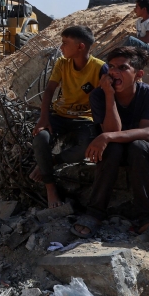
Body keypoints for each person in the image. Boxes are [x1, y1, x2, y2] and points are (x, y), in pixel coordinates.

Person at [71, 46, 149, 238]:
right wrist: (109, 95)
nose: (114, 72)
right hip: (112, 149)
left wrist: (106, 137)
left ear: (138, 74)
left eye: (122, 68)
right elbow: (113, 131)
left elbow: (146, 132)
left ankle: (147, 217)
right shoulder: (98, 95)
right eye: (111, 67)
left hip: (137, 149)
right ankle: (94, 213)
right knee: (112, 150)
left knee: (140, 147)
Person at [30, 25, 107, 208]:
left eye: (65, 43)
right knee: (41, 137)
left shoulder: (99, 68)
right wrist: (44, 118)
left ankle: (49, 162)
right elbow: (49, 90)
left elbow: (106, 99)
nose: (61, 47)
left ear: (80, 47)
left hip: (85, 118)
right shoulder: (62, 63)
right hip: (60, 114)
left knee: (86, 148)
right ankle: (50, 188)